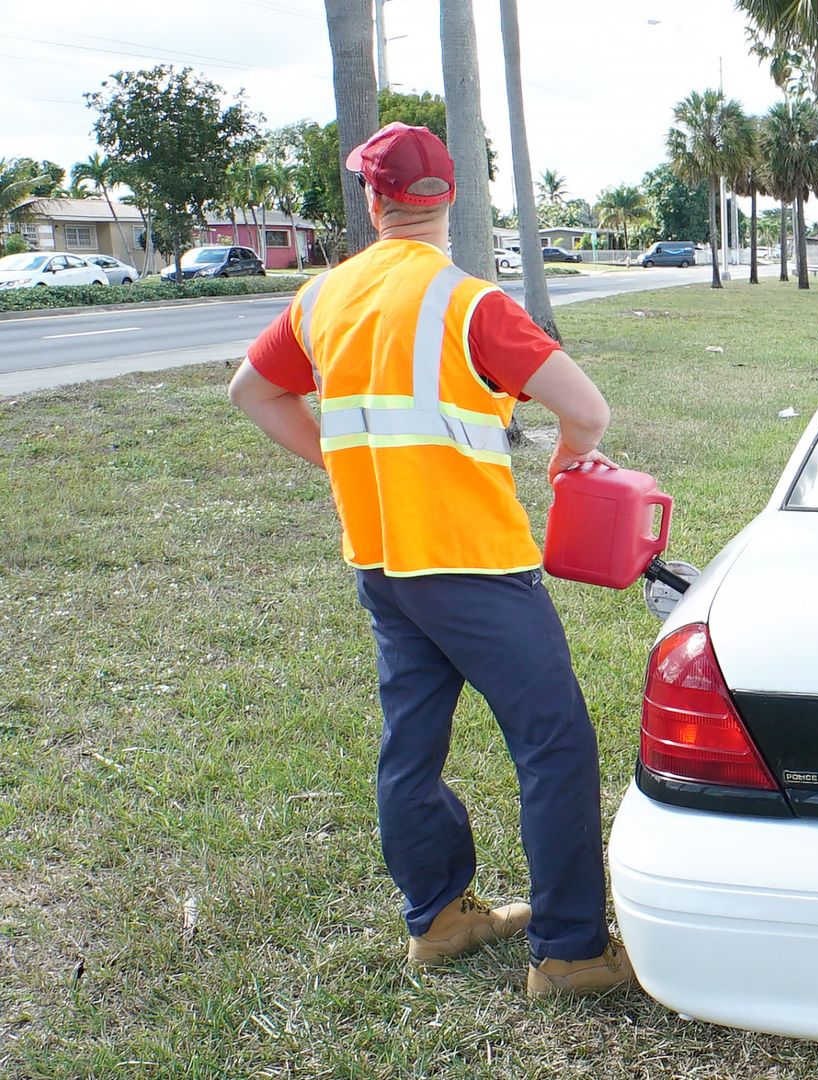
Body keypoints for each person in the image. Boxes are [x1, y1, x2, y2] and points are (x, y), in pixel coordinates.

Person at [228, 122, 635, 997]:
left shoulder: (321, 297)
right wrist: (568, 455)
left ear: (373, 202)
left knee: (410, 747)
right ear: (448, 199)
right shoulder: (468, 302)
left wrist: (343, 462)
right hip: (477, 565)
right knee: (553, 745)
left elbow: (251, 391)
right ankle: (568, 952)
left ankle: (438, 921)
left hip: (382, 563)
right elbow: (588, 409)